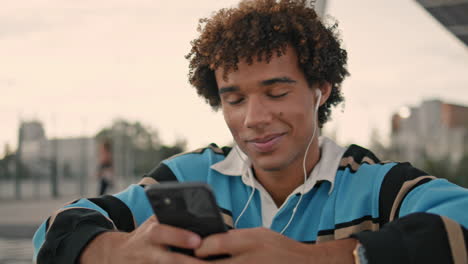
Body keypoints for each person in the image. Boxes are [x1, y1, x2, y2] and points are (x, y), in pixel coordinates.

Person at [33, 0, 468, 263]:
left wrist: (309, 259)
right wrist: (114, 252)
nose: (253, 118)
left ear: (321, 90)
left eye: (276, 92)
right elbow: (54, 231)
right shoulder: (188, 177)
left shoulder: (380, 187)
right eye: (234, 99)